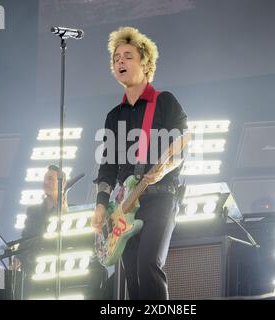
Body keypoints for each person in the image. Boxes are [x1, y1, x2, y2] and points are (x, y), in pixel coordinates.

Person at [91, 26, 188, 300]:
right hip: (124, 206)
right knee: (132, 277)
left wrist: (164, 169)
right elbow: (107, 167)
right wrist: (101, 205)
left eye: (128, 56)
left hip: (159, 198)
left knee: (148, 265)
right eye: (116, 58)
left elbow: (181, 145)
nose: (120, 61)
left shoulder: (165, 102)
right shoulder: (114, 116)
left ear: (145, 64)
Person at [12, 165, 67, 298]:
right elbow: (25, 237)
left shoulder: (67, 212)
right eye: (44, 179)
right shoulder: (33, 210)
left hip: (57, 272)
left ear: (62, 183)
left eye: (50, 179)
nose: (45, 182)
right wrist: (17, 257)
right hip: (32, 270)